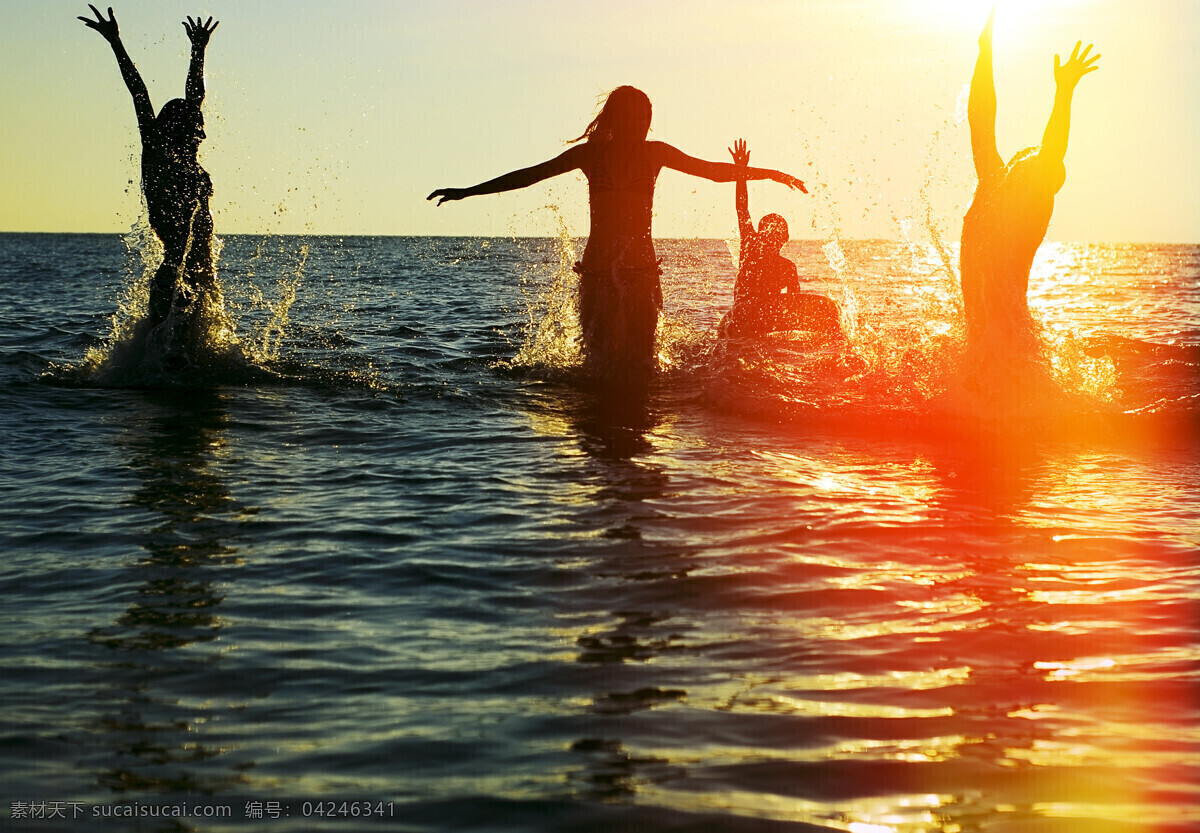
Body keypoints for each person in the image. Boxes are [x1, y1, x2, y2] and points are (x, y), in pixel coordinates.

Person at [428, 86, 807, 379]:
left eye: (645, 117)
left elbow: (712, 171)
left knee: (641, 364)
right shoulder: (589, 156)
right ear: (616, 118)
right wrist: (467, 191)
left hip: (642, 273)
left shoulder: (655, 153)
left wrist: (771, 173)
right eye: (633, 116)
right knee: (596, 364)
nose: (640, 124)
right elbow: (531, 175)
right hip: (597, 273)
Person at [960, 10, 1099, 354]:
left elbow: (1052, 149)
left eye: (1036, 163)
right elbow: (981, 119)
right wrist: (984, 53)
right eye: (1028, 155)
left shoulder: (1027, 214)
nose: (1027, 158)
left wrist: (1064, 92)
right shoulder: (995, 187)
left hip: (1008, 339)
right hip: (987, 340)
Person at [79, 5, 220, 341]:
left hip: (202, 277)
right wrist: (116, 43)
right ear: (179, 130)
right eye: (196, 127)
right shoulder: (159, 157)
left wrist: (197, 51)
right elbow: (139, 93)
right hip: (174, 279)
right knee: (168, 357)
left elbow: (195, 96)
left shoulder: (188, 160)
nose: (202, 134)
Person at [718, 138, 841, 340]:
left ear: (784, 239)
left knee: (830, 307)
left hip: (764, 318)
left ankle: (835, 344)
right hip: (742, 316)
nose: (771, 239)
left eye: (776, 235)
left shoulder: (787, 268)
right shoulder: (751, 247)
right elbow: (742, 208)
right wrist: (741, 171)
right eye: (768, 234)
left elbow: (793, 305)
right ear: (759, 235)